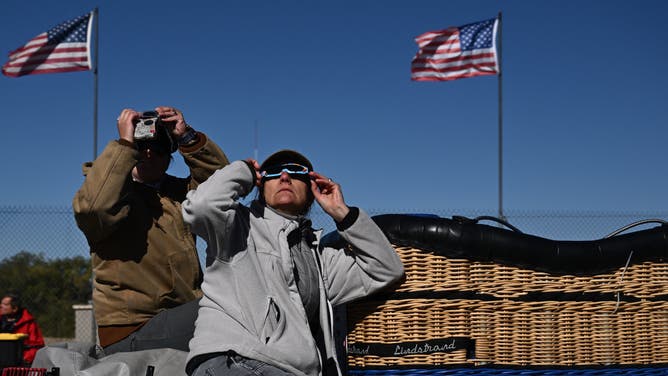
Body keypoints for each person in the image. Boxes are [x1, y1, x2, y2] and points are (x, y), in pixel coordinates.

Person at [181, 149, 405, 376]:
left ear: (311, 189)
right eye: (274, 172)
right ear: (261, 186)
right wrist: (245, 171)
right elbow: (201, 205)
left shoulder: (319, 256)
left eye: (296, 172)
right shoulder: (235, 226)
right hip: (232, 360)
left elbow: (386, 269)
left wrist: (342, 213)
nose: (285, 176)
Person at [72, 106, 229, 354]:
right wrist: (124, 144)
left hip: (178, 318)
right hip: (132, 328)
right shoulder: (111, 196)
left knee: (239, 304)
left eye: (157, 149)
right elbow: (93, 209)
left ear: (169, 157)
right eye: (140, 146)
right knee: (228, 309)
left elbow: (223, 187)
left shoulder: (179, 195)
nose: (148, 153)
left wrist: (187, 137)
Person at [0, 294, 45, 366]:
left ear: (15, 308)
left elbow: (37, 346)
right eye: (1, 303)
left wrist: (25, 358)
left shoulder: (28, 323)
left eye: (5, 304)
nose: (1, 306)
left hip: (19, 362)